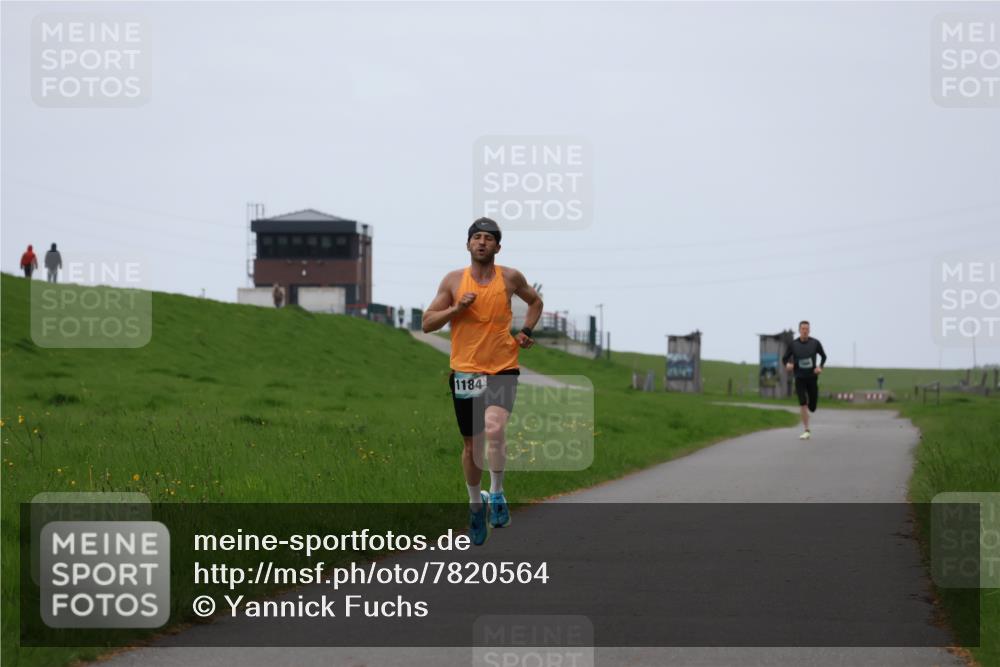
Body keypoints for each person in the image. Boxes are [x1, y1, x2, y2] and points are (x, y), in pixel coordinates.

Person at [422, 218, 543, 545]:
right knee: (472, 445)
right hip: (466, 371)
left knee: (494, 427)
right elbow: (427, 323)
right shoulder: (452, 281)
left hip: (503, 366)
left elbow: (535, 302)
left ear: (497, 247)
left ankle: (498, 493)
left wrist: (526, 331)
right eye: (476, 237)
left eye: (488, 238)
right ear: (468, 245)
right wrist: (456, 309)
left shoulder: (510, 277)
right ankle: (476, 505)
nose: (482, 242)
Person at [783, 320, 827, 440]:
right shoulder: (793, 344)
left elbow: (824, 356)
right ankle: (807, 430)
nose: (805, 331)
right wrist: (787, 365)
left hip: (812, 378)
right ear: (799, 330)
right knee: (802, 403)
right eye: (803, 329)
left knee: (812, 407)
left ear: (809, 330)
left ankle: (809, 407)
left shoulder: (815, 343)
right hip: (799, 378)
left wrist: (820, 367)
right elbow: (785, 358)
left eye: (807, 329)